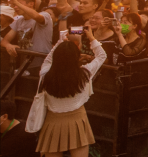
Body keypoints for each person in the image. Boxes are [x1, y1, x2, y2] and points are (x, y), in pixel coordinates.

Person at [36, 26, 107, 157]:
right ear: (77, 57)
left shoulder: (45, 74)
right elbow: (102, 56)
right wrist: (91, 37)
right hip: (77, 120)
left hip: (53, 121)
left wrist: (60, 41)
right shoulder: (84, 73)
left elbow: (49, 59)